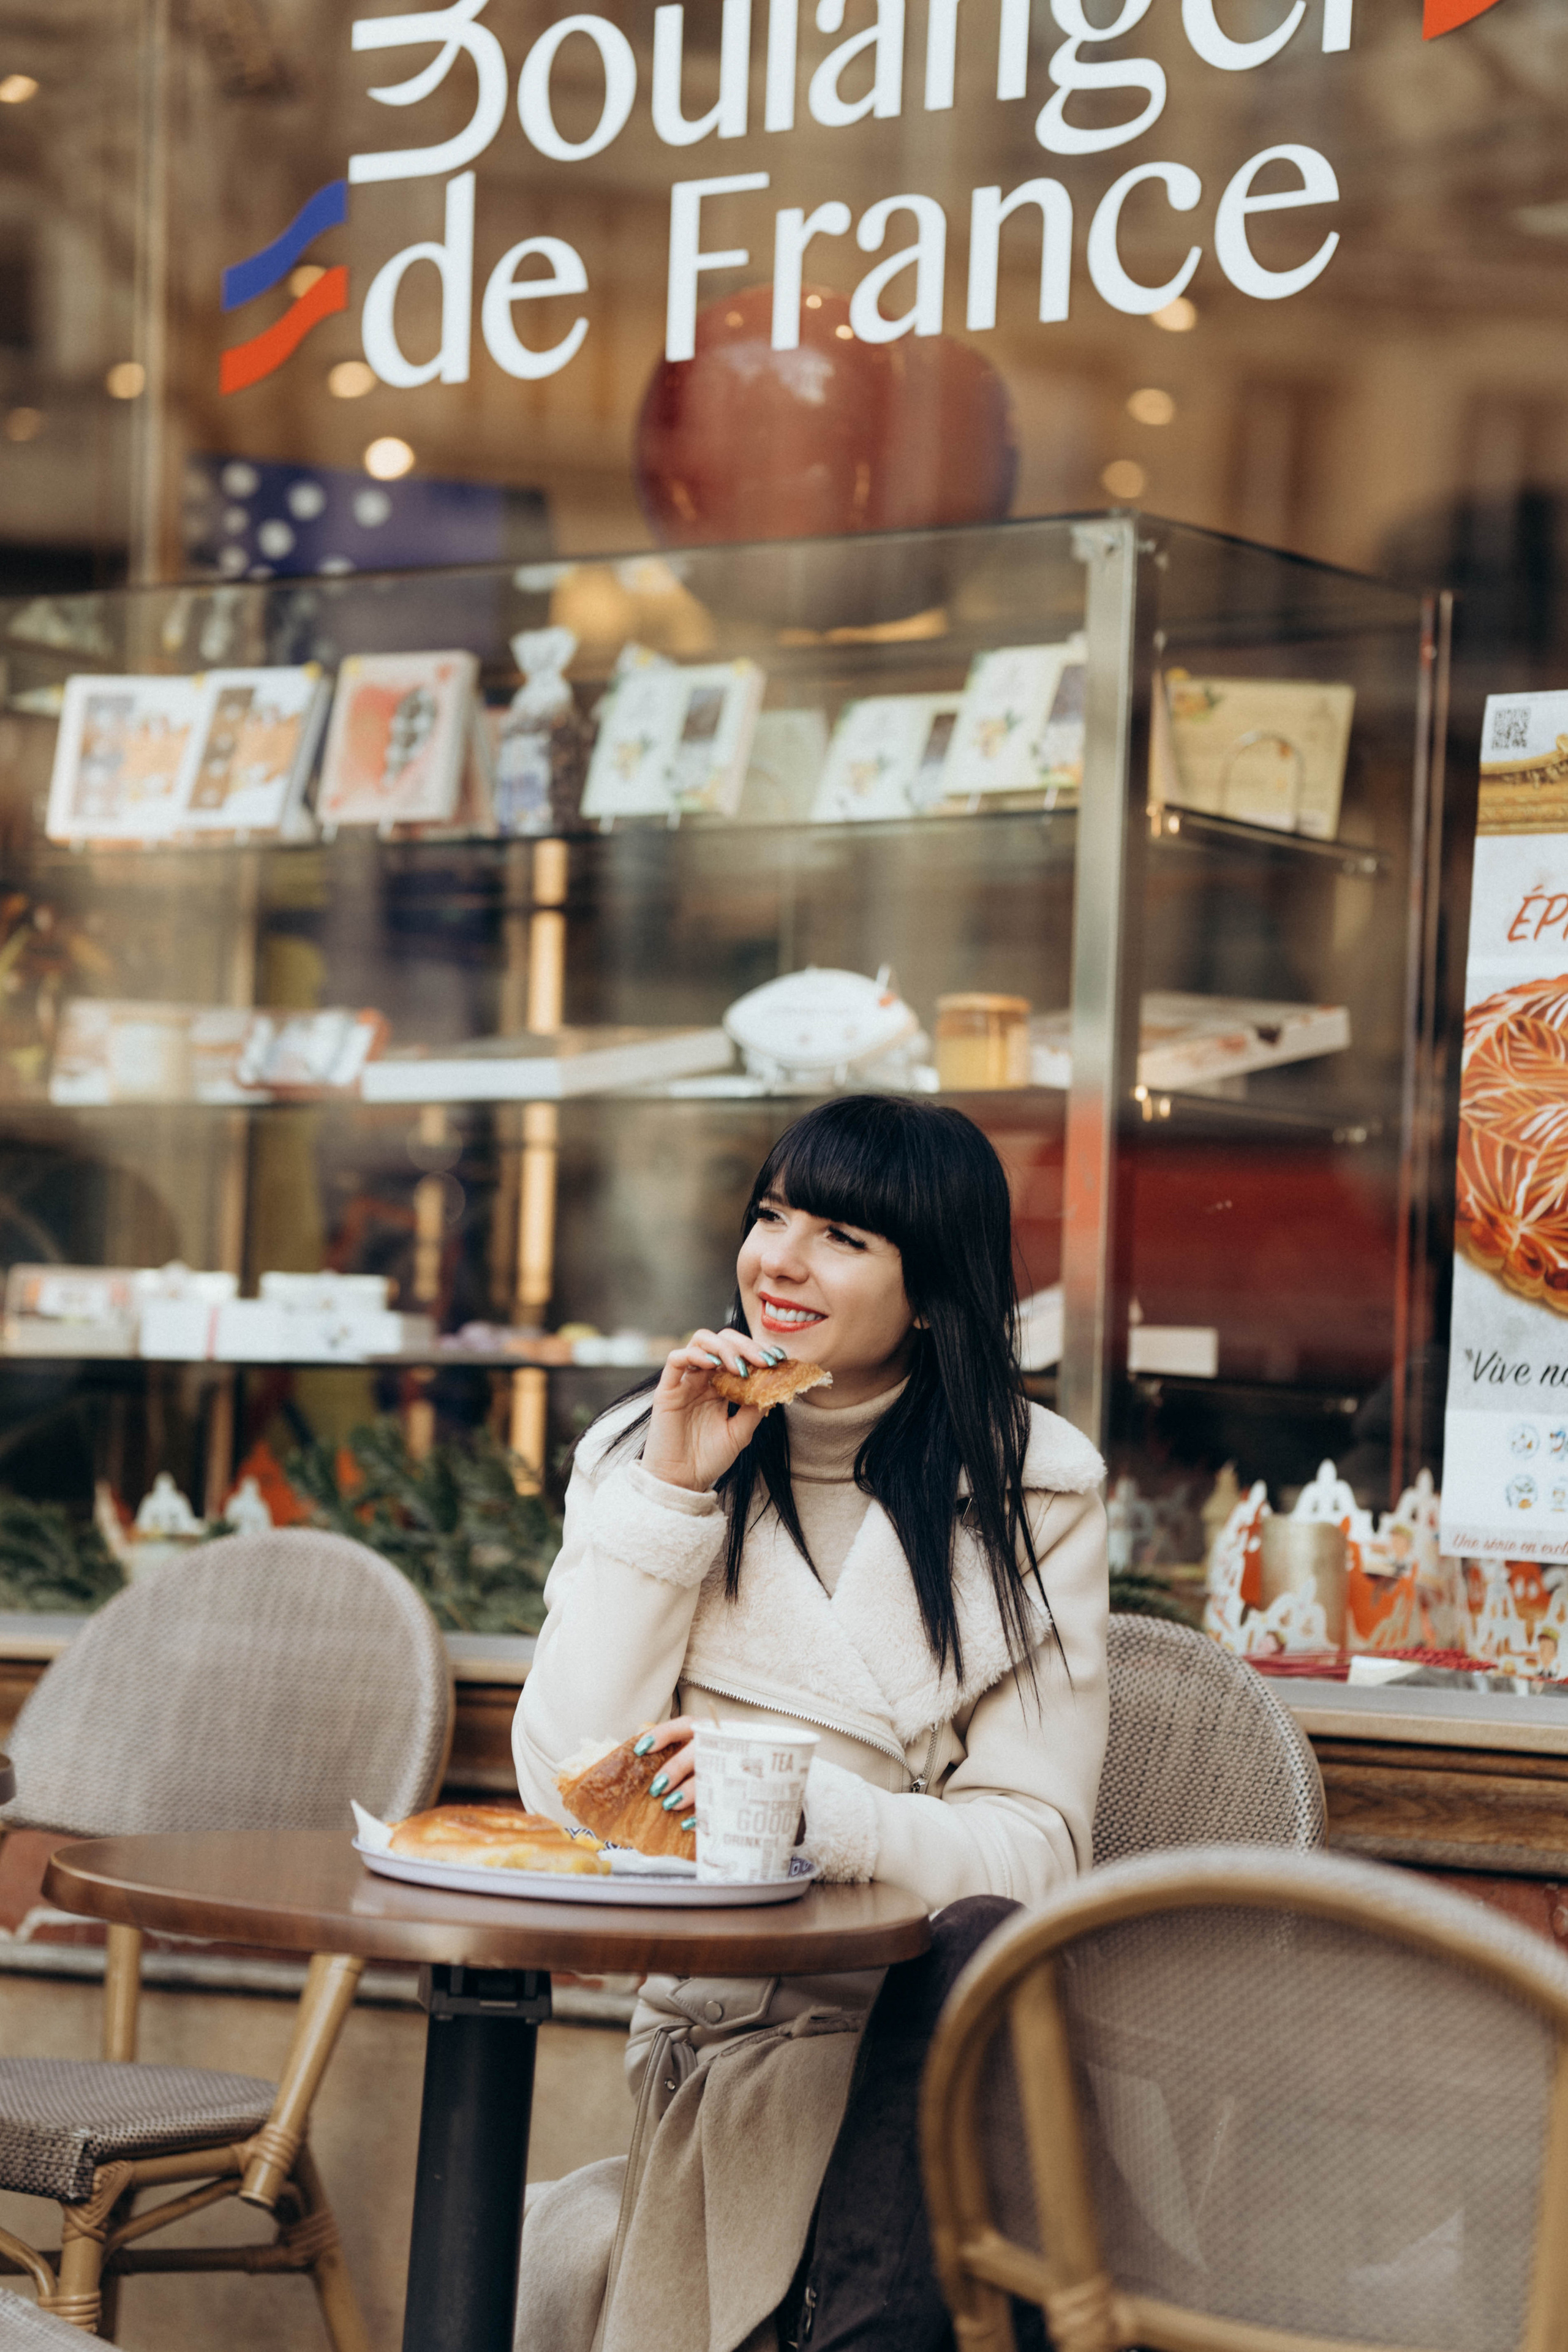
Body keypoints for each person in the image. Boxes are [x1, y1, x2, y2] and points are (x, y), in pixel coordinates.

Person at [513, 1095, 1109, 2352]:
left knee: (968, 1975)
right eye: (771, 1215)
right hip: (720, 2041)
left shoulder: (1029, 1489)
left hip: (933, 2048)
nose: (776, 1259)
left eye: (839, 1234)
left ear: (934, 1293)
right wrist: (673, 1498)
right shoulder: (642, 1450)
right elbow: (562, 1794)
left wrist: (802, 1810)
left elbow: (1033, 1861)